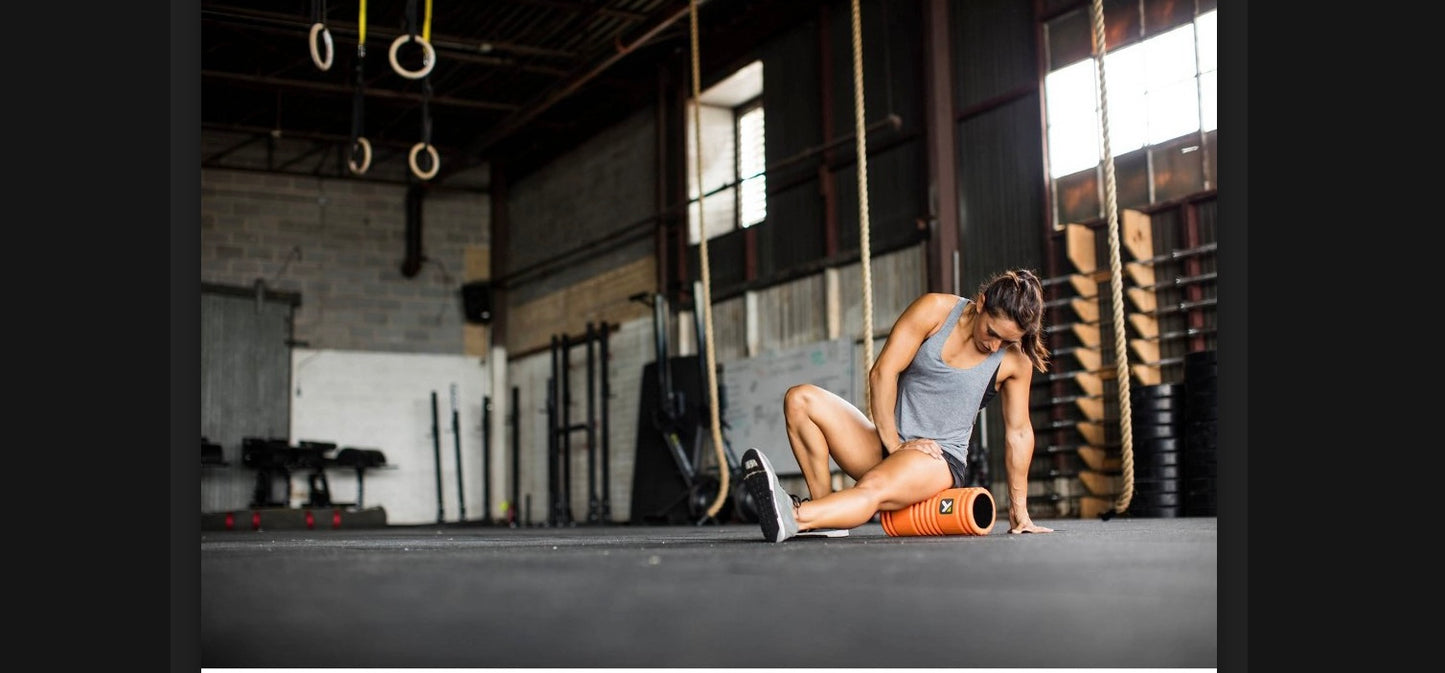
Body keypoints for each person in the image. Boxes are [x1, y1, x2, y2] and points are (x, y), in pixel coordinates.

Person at [741, 268, 1056, 542]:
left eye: (1006, 341)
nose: (994, 346)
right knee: (800, 399)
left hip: (937, 460)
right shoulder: (935, 310)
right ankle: (825, 514)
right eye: (992, 332)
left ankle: (797, 515)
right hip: (890, 442)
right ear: (982, 301)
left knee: (872, 486)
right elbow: (883, 372)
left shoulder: (1016, 361)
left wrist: (1020, 511)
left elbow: (1018, 434)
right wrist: (893, 443)